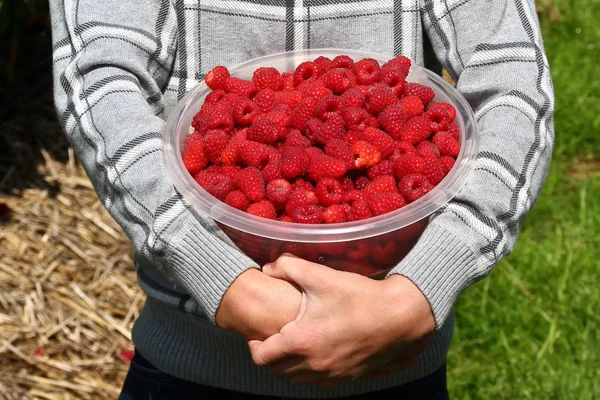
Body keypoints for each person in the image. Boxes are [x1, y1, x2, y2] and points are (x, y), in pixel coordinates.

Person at [49, 0, 554, 398]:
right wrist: (231, 286)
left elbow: (512, 78)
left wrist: (415, 295)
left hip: (395, 348)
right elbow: (101, 81)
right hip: (193, 364)